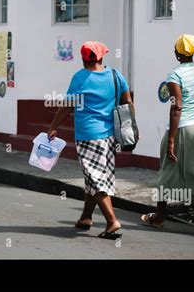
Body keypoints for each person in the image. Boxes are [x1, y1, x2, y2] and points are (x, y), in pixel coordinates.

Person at [141, 34, 194, 238]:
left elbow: (177, 107)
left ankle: (160, 218)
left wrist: (171, 139)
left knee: (167, 170)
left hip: (183, 128)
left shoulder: (174, 75)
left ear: (177, 53)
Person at [48, 41, 132, 240]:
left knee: (96, 178)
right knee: (94, 178)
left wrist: (53, 126)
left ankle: (112, 221)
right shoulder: (115, 76)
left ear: (83, 58)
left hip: (88, 136)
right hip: (110, 136)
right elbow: (127, 102)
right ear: (102, 56)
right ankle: (86, 217)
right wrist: (131, 127)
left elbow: (67, 106)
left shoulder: (80, 78)